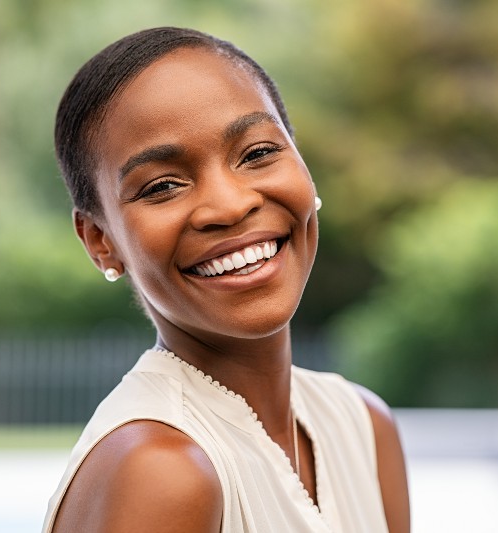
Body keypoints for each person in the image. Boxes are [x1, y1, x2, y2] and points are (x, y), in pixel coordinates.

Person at [43, 27, 410, 533]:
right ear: (100, 240)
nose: (231, 205)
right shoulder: (160, 469)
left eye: (258, 153)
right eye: (162, 186)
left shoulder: (363, 426)